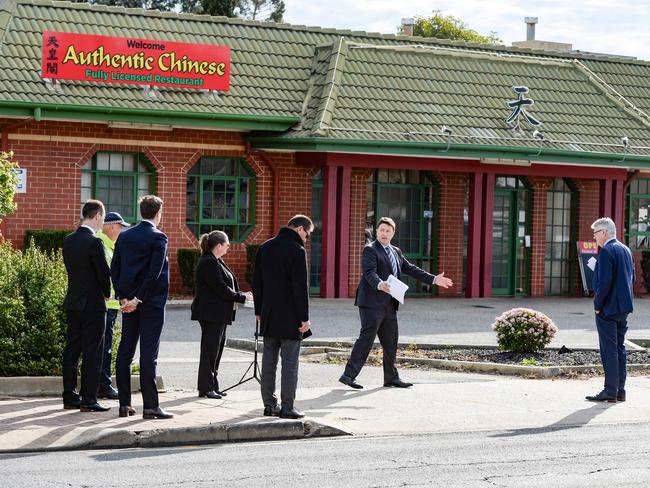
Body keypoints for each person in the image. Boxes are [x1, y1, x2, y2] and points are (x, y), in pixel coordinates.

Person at [339, 216, 453, 389]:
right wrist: (379, 284)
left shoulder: (396, 251)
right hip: (371, 302)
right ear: (377, 231)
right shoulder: (370, 250)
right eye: (381, 230)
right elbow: (369, 272)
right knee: (367, 338)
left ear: (393, 233)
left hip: (390, 303)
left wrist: (434, 279)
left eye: (388, 231)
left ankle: (391, 377)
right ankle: (348, 375)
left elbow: (411, 269)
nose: (384, 233)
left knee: (391, 341)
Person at [112, 195, 173, 419]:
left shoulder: (125, 236)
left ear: (141, 211)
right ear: (158, 213)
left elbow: (115, 267)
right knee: (149, 354)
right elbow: (154, 272)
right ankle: (150, 406)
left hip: (129, 302)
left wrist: (123, 297)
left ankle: (124, 404)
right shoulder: (159, 237)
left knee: (125, 352)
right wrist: (138, 298)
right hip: (151, 303)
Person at [252, 215, 313, 419]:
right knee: (290, 364)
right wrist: (304, 318)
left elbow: (257, 282)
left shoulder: (265, 247)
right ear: (301, 229)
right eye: (308, 234)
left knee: (268, 362)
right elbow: (299, 288)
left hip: (269, 314)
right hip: (290, 317)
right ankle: (288, 407)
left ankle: (269, 405)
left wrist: (259, 311)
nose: (307, 238)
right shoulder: (297, 251)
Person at [61, 199, 112, 412]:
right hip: (93, 304)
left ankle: (70, 396)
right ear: (98, 215)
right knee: (93, 352)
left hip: (73, 301)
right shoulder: (95, 242)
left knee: (72, 350)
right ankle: (89, 399)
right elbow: (103, 273)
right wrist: (107, 293)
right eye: (103, 217)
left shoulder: (69, 240)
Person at [191, 230, 252, 399]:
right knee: (210, 350)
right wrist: (241, 297)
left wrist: (242, 294)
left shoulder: (216, 260)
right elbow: (220, 288)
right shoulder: (208, 262)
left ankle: (212, 385)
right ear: (218, 245)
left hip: (219, 313)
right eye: (226, 244)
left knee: (216, 350)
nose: (228, 247)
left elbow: (227, 285)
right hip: (211, 313)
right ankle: (205, 387)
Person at [586, 217, 635, 403]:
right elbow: (633, 277)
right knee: (620, 348)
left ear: (605, 232)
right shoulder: (625, 249)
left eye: (596, 233)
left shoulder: (607, 251)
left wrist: (598, 306)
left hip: (608, 308)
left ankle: (610, 391)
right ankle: (620, 390)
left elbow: (604, 283)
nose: (594, 237)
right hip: (623, 308)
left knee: (609, 351)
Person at [95, 211, 130, 400]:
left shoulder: (110, 246)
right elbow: (107, 276)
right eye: (120, 226)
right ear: (111, 226)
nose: (121, 230)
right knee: (105, 348)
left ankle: (102, 384)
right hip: (107, 305)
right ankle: (104, 386)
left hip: (113, 305)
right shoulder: (101, 245)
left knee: (105, 347)